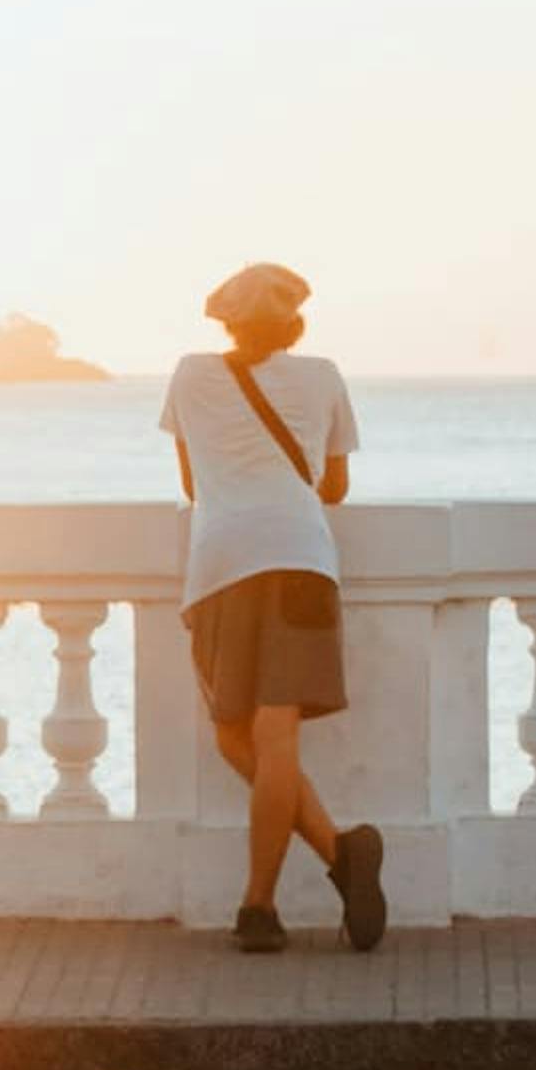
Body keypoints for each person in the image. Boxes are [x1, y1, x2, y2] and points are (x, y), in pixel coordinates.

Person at [160, 263, 386, 954]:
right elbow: (334, 486)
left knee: (237, 733)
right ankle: (338, 854)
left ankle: (259, 905)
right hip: (299, 559)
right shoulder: (323, 377)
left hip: (221, 565)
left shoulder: (191, 376)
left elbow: (193, 481)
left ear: (225, 321)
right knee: (268, 736)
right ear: (294, 324)